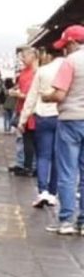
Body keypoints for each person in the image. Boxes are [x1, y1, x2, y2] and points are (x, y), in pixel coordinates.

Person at [43, 25, 84, 235]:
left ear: (72, 42)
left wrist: (46, 97)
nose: (64, 50)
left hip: (71, 120)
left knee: (68, 172)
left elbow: (59, 95)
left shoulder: (71, 62)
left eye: (65, 45)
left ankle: (66, 220)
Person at [18, 46, 62, 209]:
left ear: (47, 55)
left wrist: (23, 120)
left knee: (43, 155)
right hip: (63, 116)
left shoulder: (43, 71)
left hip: (43, 116)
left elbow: (31, 97)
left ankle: (42, 191)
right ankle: (53, 192)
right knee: (58, 156)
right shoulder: (71, 69)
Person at [12, 47, 38, 176]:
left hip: (30, 110)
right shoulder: (25, 71)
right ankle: (22, 163)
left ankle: (29, 166)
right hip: (21, 108)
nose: (22, 59)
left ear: (33, 56)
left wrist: (19, 94)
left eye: (24, 56)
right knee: (21, 139)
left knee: (29, 140)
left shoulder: (35, 72)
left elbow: (30, 94)